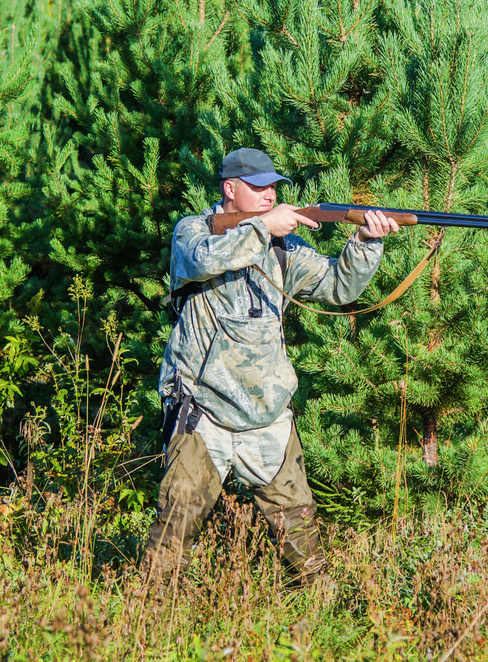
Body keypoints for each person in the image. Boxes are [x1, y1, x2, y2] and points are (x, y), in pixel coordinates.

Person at [144, 148, 399, 583]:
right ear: (230, 189)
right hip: (204, 411)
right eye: (258, 187)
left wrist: (365, 243)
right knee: (174, 529)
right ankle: (148, 623)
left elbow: (338, 288)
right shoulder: (194, 231)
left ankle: (322, 617)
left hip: (267, 415)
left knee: (301, 534)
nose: (269, 195)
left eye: (273, 187)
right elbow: (204, 259)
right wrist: (263, 228)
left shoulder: (283, 248)